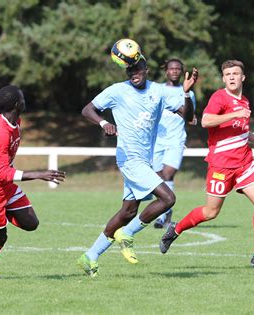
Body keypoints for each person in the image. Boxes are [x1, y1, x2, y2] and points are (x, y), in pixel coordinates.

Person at [77, 56, 198, 277]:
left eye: (137, 69)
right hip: (129, 158)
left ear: (146, 69)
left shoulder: (159, 92)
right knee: (168, 199)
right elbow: (87, 110)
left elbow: (188, 117)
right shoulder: (117, 91)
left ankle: (90, 256)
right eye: (129, 71)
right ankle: (128, 234)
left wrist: (187, 93)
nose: (133, 74)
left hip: (145, 160)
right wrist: (104, 122)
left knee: (128, 211)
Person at [159, 60, 254, 272]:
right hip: (221, 166)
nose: (232, 77)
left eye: (235, 73)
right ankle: (175, 229)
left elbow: (238, 130)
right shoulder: (219, 97)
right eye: (228, 74)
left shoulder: (244, 101)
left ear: (243, 78)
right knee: (210, 212)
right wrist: (234, 114)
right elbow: (206, 121)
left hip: (244, 162)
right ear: (223, 79)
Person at [0, 85, 66, 279]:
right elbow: (2, 172)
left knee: (31, 223)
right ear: (16, 104)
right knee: (0, 237)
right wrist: (38, 174)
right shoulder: (0, 133)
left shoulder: (15, 121)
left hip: (3, 185)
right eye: (22, 98)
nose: (25, 100)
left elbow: (3, 171)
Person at [153, 58, 197, 229]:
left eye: (178, 69)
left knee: (168, 174)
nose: (175, 71)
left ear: (181, 71)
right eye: (172, 69)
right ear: (166, 71)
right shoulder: (158, 90)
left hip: (176, 140)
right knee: (157, 179)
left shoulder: (188, 92)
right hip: (156, 141)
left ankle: (163, 216)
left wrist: (192, 118)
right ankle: (166, 211)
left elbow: (190, 116)